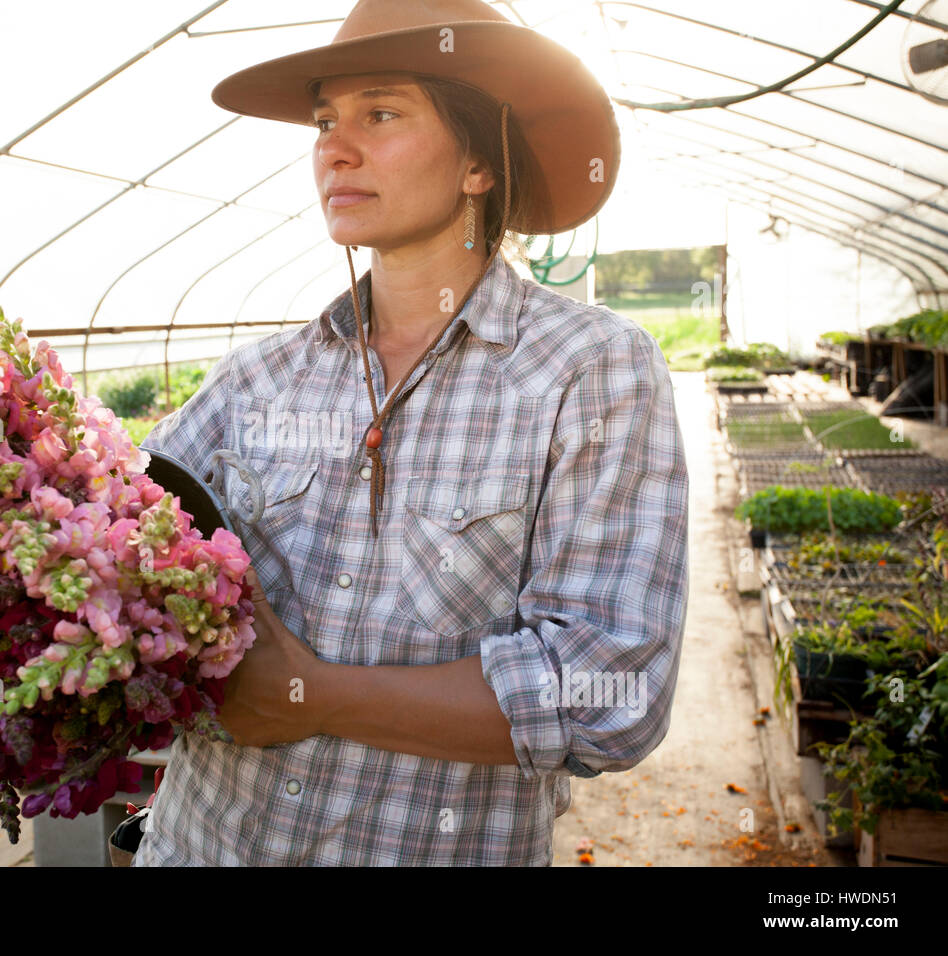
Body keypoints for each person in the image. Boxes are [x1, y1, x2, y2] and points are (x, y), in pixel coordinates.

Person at [132, 0, 690, 866]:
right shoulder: (257, 378)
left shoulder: (588, 370)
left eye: (380, 114)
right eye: (325, 121)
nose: (334, 148)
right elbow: (112, 530)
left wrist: (316, 696)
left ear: (477, 162)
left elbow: (610, 691)